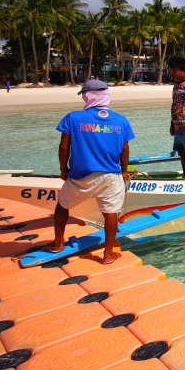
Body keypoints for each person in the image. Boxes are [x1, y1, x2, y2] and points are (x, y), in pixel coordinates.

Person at [45, 80, 134, 264]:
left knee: (63, 206)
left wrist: (63, 170)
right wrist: (124, 171)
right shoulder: (121, 120)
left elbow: (63, 148)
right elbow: (124, 150)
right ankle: (108, 253)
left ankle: (58, 243)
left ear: (87, 96)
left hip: (80, 176)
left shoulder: (73, 118)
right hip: (111, 175)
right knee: (111, 213)